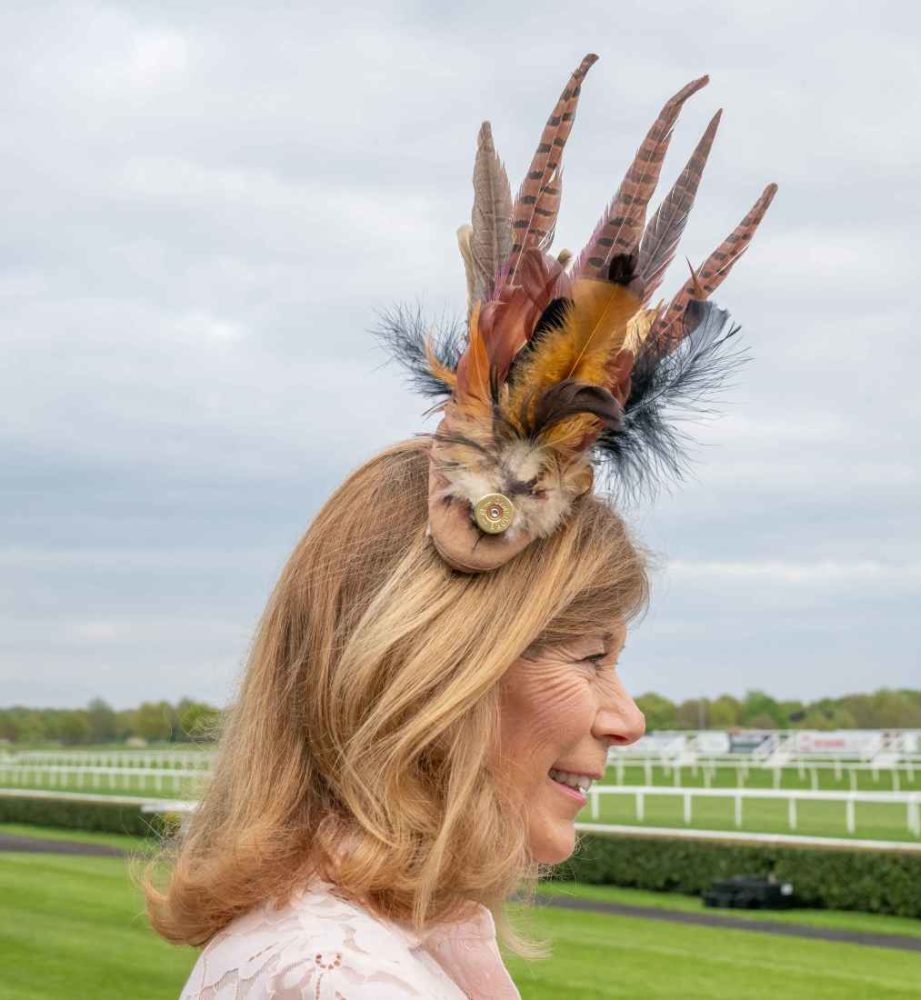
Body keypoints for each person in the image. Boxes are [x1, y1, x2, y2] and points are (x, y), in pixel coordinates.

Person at [143, 53, 776, 999]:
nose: (628, 718)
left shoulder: (377, 944)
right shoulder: (345, 978)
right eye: (589, 658)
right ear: (434, 668)